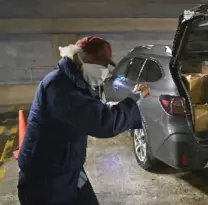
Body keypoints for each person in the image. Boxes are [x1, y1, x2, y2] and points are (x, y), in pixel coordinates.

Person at [17, 36, 150, 205]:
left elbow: (92, 108)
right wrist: (134, 99)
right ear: (80, 57)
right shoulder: (58, 86)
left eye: (105, 65)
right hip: (46, 179)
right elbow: (104, 123)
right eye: (99, 63)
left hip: (68, 168)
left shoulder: (74, 82)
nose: (104, 70)